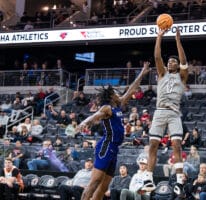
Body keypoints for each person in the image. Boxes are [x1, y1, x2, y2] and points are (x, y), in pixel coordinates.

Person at [79, 64, 150, 200]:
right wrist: (84, 123)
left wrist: (142, 72)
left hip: (114, 148)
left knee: (104, 187)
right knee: (94, 182)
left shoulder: (118, 105)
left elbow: (131, 89)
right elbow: (95, 116)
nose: (120, 95)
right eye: (117, 93)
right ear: (112, 96)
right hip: (106, 145)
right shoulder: (107, 108)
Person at [142, 28, 188, 195]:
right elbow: (156, 57)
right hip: (160, 111)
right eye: (169, 61)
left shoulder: (182, 76)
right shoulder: (162, 73)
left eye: (173, 61)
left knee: (176, 145)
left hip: (174, 113)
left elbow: (183, 60)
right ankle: (148, 177)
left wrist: (177, 40)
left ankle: (179, 180)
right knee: (153, 144)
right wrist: (159, 37)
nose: (170, 63)